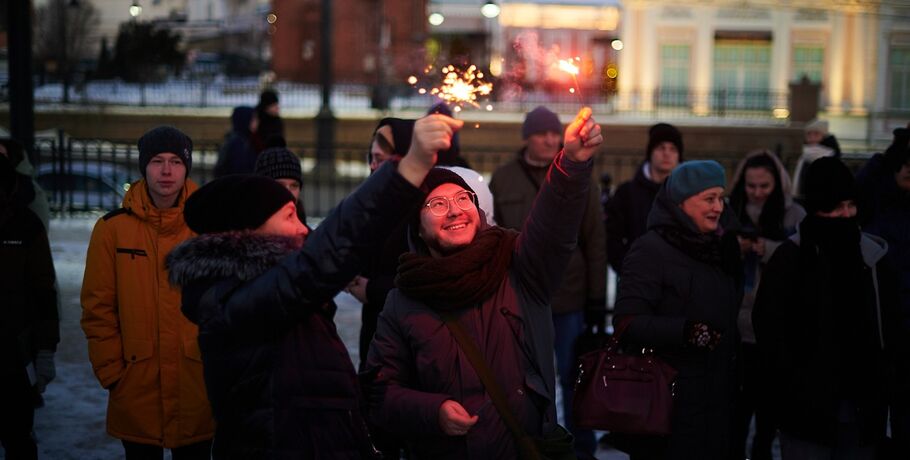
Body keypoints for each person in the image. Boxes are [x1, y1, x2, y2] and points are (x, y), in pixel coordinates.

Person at [165, 113, 462, 458]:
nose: (304, 228)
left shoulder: (264, 286)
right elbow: (327, 253)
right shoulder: (233, 301)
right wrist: (408, 168)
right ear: (251, 231)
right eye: (289, 217)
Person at [364, 108, 602, 459]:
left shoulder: (520, 269)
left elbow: (553, 226)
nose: (455, 210)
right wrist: (433, 411)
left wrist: (571, 164)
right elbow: (378, 392)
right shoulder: (403, 302)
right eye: (437, 204)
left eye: (463, 199)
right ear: (417, 226)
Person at [80, 126, 215, 458]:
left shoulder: (208, 228)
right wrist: (113, 373)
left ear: (187, 167)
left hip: (196, 384)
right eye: (157, 161)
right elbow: (98, 308)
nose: (166, 171)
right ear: (143, 166)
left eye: (175, 161)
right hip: (136, 384)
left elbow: (224, 306)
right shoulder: (112, 230)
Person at [753, 157, 895, 460]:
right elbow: (770, 331)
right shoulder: (790, 259)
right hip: (805, 412)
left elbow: (891, 328)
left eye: (850, 205)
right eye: (834, 207)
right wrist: (792, 389)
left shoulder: (871, 258)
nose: (845, 215)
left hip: (862, 409)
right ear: (817, 207)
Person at [488, 105, 605, 457]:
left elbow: (595, 239)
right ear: (527, 137)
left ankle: (581, 448)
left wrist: (597, 299)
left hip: (568, 298)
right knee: (524, 380)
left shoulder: (579, 173)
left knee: (572, 378)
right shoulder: (504, 178)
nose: (551, 139)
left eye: (555, 133)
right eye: (542, 134)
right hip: (520, 297)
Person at [612, 160, 742, 459]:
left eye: (721, 198)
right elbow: (627, 322)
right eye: (709, 199)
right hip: (668, 406)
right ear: (681, 202)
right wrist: (686, 331)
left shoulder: (719, 248)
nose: (718, 207)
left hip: (718, 403)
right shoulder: (651, 250)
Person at [727, 150, 805, 460]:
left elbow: (800, 260)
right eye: (751, 186)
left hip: (774, 330)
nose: (757, 193)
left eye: (764, 186)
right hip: (736, 327)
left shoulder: (792, 215)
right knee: (736, 415)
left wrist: (767, 248)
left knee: (768, 418)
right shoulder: (730, 210)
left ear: (778, 184)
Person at [855, 124, 910, 456]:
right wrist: (894, 150)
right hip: (877, 335)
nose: (909, 170)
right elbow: (858, 188)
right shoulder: (878, 202)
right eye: (905, 162)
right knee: (870, 430)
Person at [0, 155, 59, 460]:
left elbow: (43, 292)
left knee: (19, 440)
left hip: (14, 357)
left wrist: (45, 349)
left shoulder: (25, 225)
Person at [605, 122, 684, 273]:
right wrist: (627, 268)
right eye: (661, 147)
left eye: (673, 149)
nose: (667, 153)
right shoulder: (627, 193)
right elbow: (612, 239)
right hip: (637, 278)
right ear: (651, 152)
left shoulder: (688, 193)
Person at [255, 145, 308, 225]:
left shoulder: (309, 235)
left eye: (294, 186)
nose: (288, 192)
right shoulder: (242, 233)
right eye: (279, 185)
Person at [792, 119, 840, 198]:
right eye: (809, 134)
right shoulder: (804, 155)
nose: (812, 137)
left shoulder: (831, 156)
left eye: (816, 133)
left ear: (823, 136)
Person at [214, 106, 258, 177]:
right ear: (245, 120)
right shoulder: (237, 143)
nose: (257, 122)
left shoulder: (245, 139)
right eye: (253, 119)